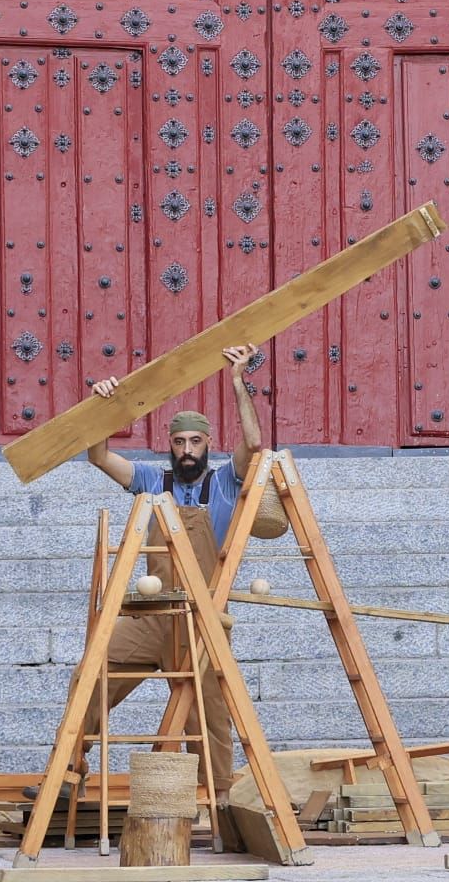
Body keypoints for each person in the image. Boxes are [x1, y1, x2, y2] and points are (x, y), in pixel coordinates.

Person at [75, 343, 264, 801]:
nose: (186, 450)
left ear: (207, 445)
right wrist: (105, 408)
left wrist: (239, 382)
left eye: (194, 442)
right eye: (178, 442)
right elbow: (99, 458)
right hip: (153, 616)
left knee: (212, 711)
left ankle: (222, 798)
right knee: (91, 675)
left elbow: (255, 445)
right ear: (169, 446)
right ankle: (70, 770)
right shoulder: (151, 479)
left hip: (201, 623)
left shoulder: (224, 482)